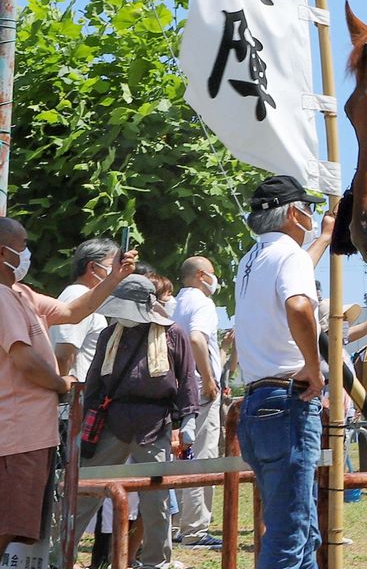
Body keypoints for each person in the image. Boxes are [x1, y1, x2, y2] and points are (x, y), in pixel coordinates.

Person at [0, 218, 137, 558]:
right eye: (23, 245)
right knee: (8, 525)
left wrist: (116, 277)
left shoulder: (21, 293)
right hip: (14, 433)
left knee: (15, 527)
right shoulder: (1, 296)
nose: (27, 252)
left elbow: (74, 311)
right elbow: (26, 360)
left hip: (29, 432)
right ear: (4, 252)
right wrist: (62, 383)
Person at [73, 274, 200, 569]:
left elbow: (186, 381)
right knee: (86, 490)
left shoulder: (173, 334)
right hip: (112, 421)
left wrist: (189, 420)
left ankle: (156, 562)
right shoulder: (109, 335)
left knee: (157, 501)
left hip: (154, 424)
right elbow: (94, 383)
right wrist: (85, 423)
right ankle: (61, 552)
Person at [234, 175, 327, 569]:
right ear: (294, 212)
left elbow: (295, 272)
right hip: (288, 401)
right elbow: (299, 305)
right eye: (307, 207)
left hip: (259, 401)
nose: (310, 215)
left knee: (300, 530)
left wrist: (323, 238)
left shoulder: (251, 259)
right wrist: (313, 365)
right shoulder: (289, 256)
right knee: (291, 535)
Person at [168, 255, 224, 548]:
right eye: (212, 273)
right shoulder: (203, 303)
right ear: (202, 275)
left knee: (180, 456)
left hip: (177, 388)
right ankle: (196, 529)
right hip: (202, 390)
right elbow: (196, 339)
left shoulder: (174, 303)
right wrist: (209, 377)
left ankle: (179, 523)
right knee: (203, 456)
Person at [50, 238, 121, 379]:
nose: (118, 272)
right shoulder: (78, 296)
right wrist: (63, 389)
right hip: (74, 394)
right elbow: (63, 354)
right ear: (92, 267)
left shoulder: (85, 296)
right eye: (112, 266)